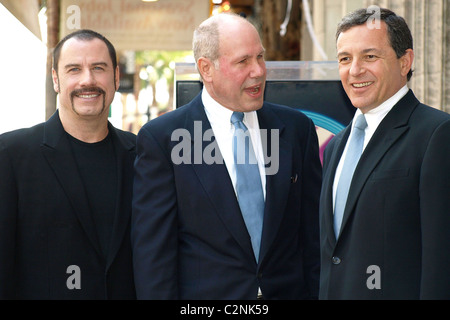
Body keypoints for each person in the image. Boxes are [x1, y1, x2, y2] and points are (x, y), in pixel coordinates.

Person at [131, 12, 322, 300]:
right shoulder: (163, 141)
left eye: (260, 57)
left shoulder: (297, 130)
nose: (258, 71)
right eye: (243, 61)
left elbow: (313, 238)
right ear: (206, 69)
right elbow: (154, 258)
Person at [319, 7, 450, 299]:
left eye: (370, 56)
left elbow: (441, 259)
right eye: (345, 59)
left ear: (405, 62)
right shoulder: (336, 147)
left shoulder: (437, 135)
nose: (355, 70)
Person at [0, 29, 136, 299]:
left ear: (116, 77)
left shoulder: (142, 155)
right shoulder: (11, 155)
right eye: (74, 69)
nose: (88, 80)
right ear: (56, 79)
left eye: (99, 68)